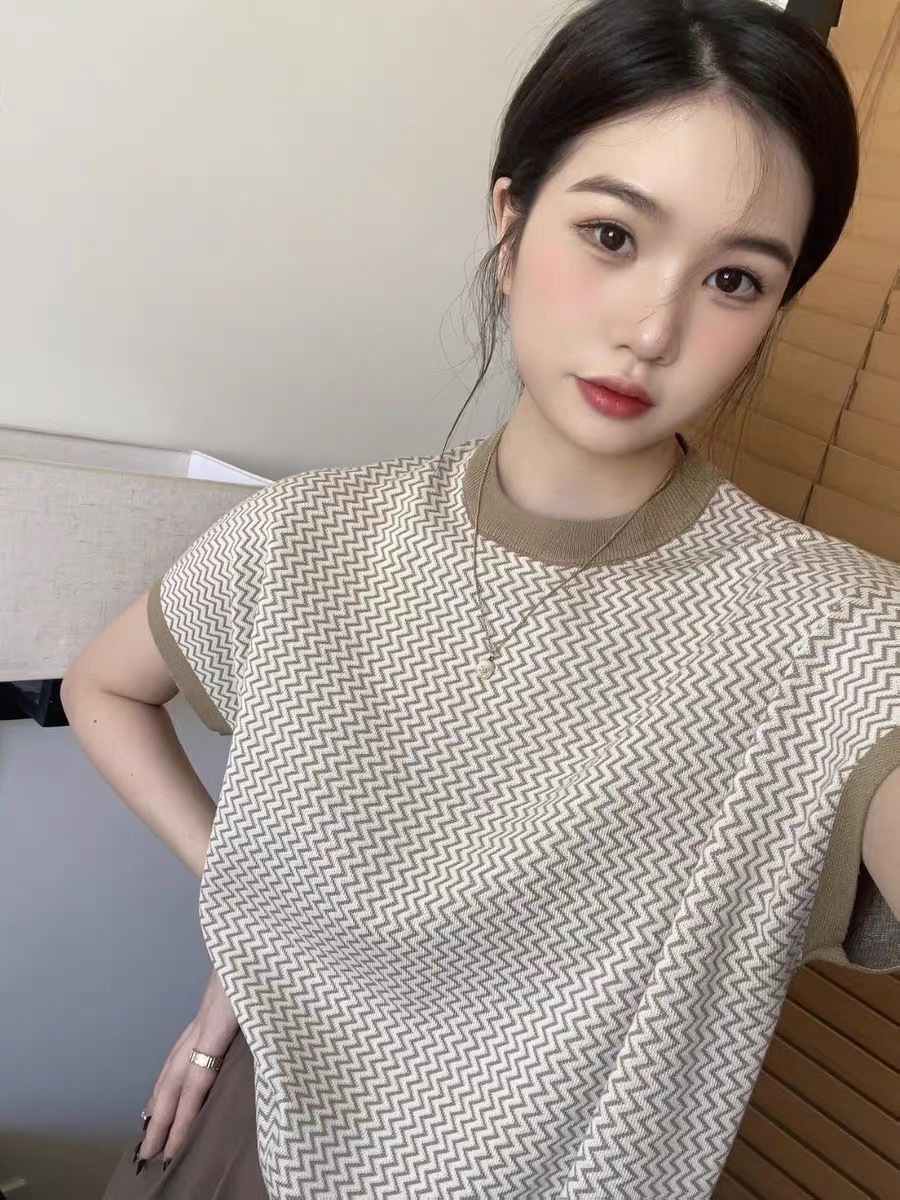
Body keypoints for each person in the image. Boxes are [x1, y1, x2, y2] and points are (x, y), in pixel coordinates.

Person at [62, 1, 900, 1197]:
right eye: (611, 235)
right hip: (258, 1120)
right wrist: (247, 902)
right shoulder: (309, 534)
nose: (653, 329)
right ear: (510, 227)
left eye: (733, 279)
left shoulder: (840, 636)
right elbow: (102, 689)